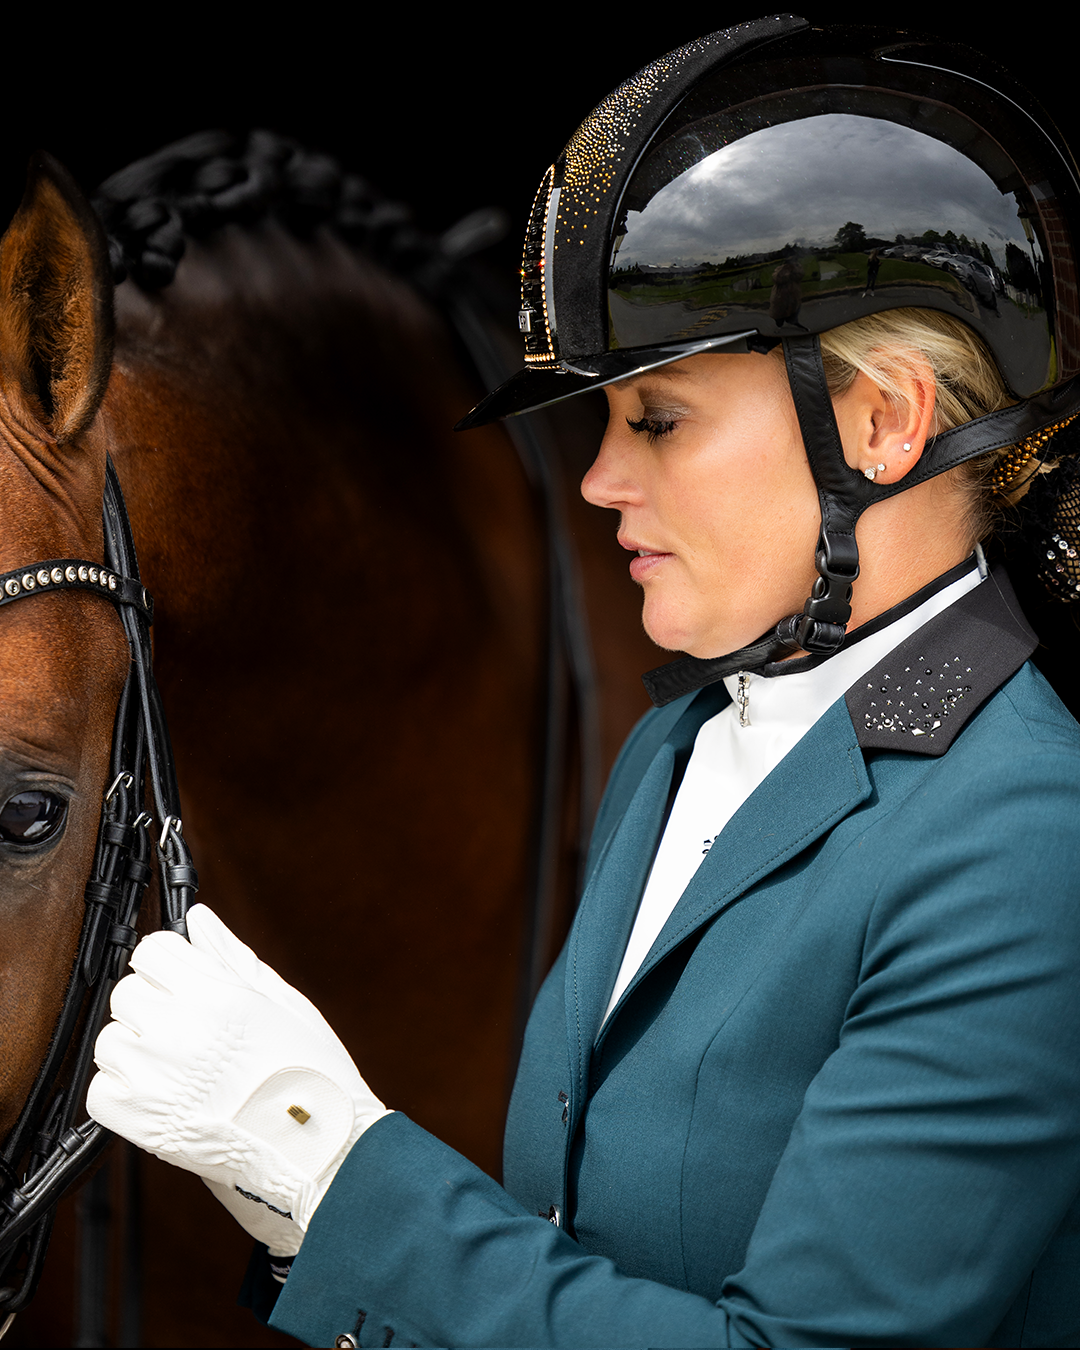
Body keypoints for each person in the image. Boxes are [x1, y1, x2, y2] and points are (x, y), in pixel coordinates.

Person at [87, 16, 1080, 1348]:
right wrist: (291, 1205)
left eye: (657, 419)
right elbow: (577, 1258)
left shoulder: (1023, 839)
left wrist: (341, 1178)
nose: (601, 479)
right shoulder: (673, 741)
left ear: (883, 422)